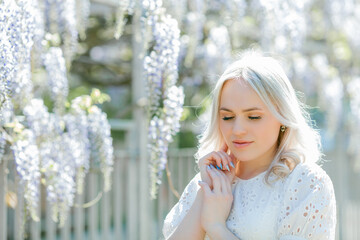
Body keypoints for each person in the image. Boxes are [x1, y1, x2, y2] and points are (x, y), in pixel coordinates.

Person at [162, 50, 336, 240]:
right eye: (227, 117)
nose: (237, 130)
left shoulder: (306, 183)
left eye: (253, 117)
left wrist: (216, 227)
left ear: (283, 118)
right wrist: (206, 191)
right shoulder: (206, 181)